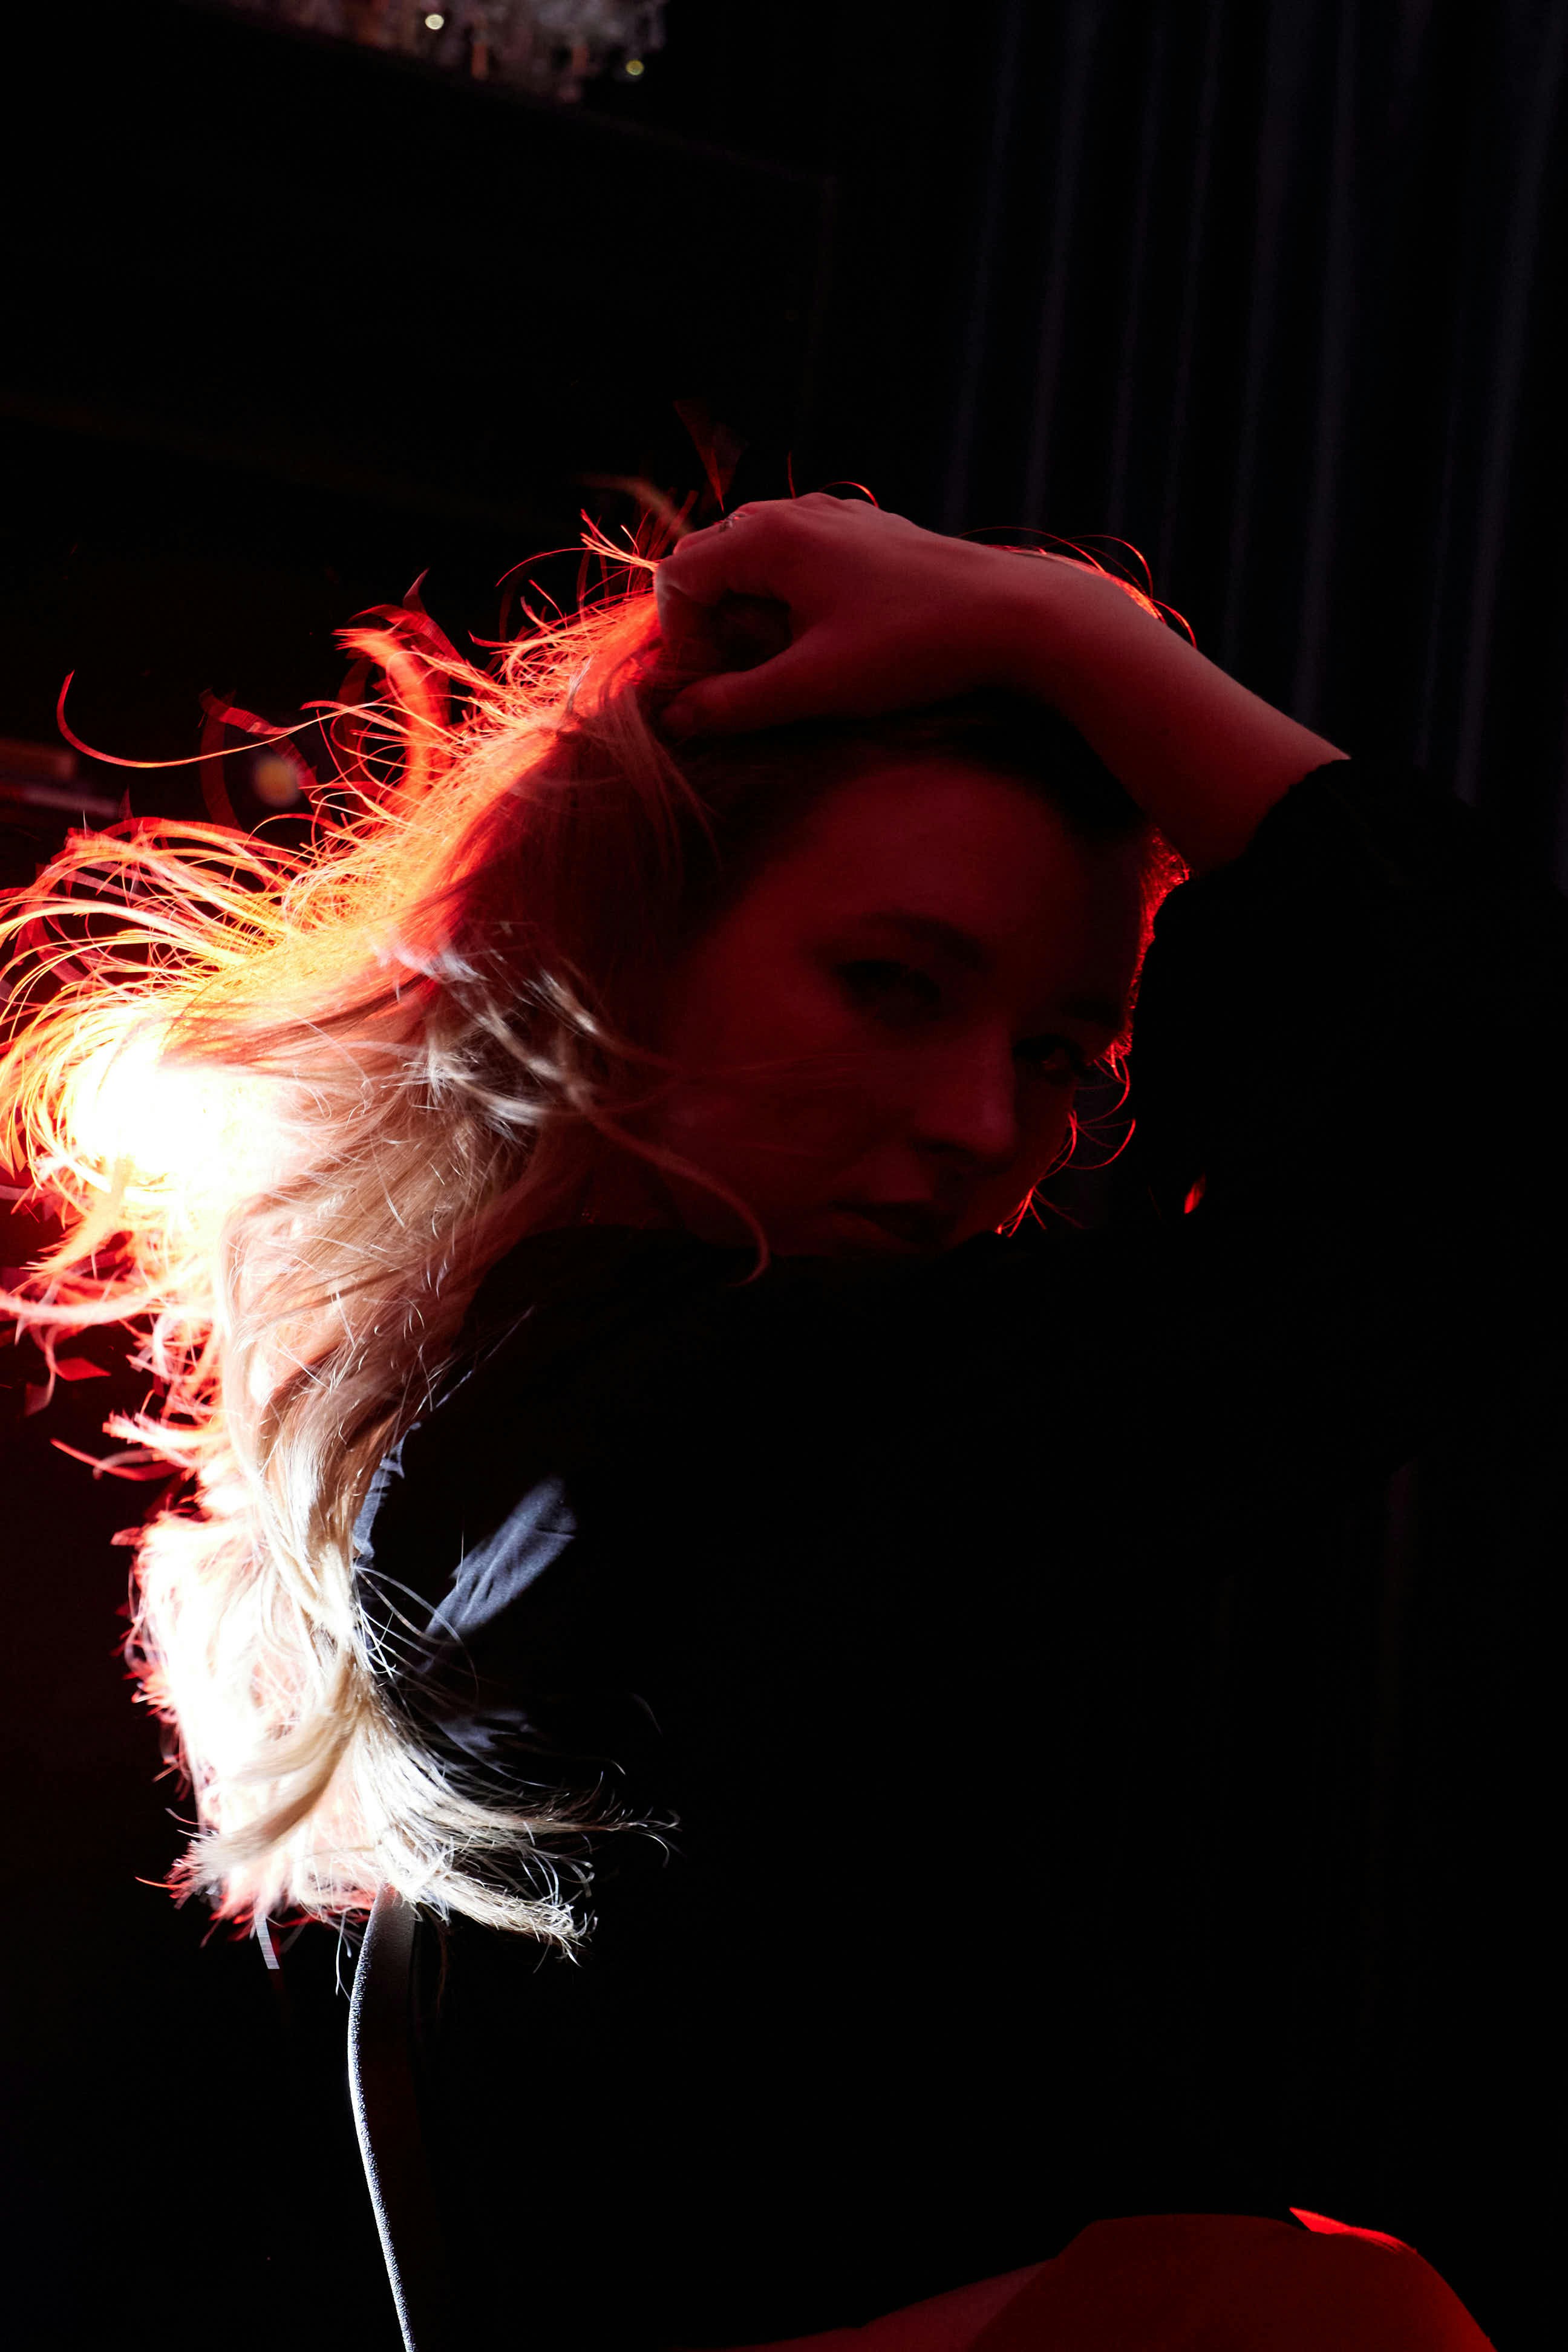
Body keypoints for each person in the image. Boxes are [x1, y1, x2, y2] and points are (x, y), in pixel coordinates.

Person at [1, 494, 1543, 2348]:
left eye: (1065, 1057)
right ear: (614, 957)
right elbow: (1506, 1133)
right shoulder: (689, 1429)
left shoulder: (526, 1445)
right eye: (891, 988)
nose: (991, 1126)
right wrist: (1070, 635)